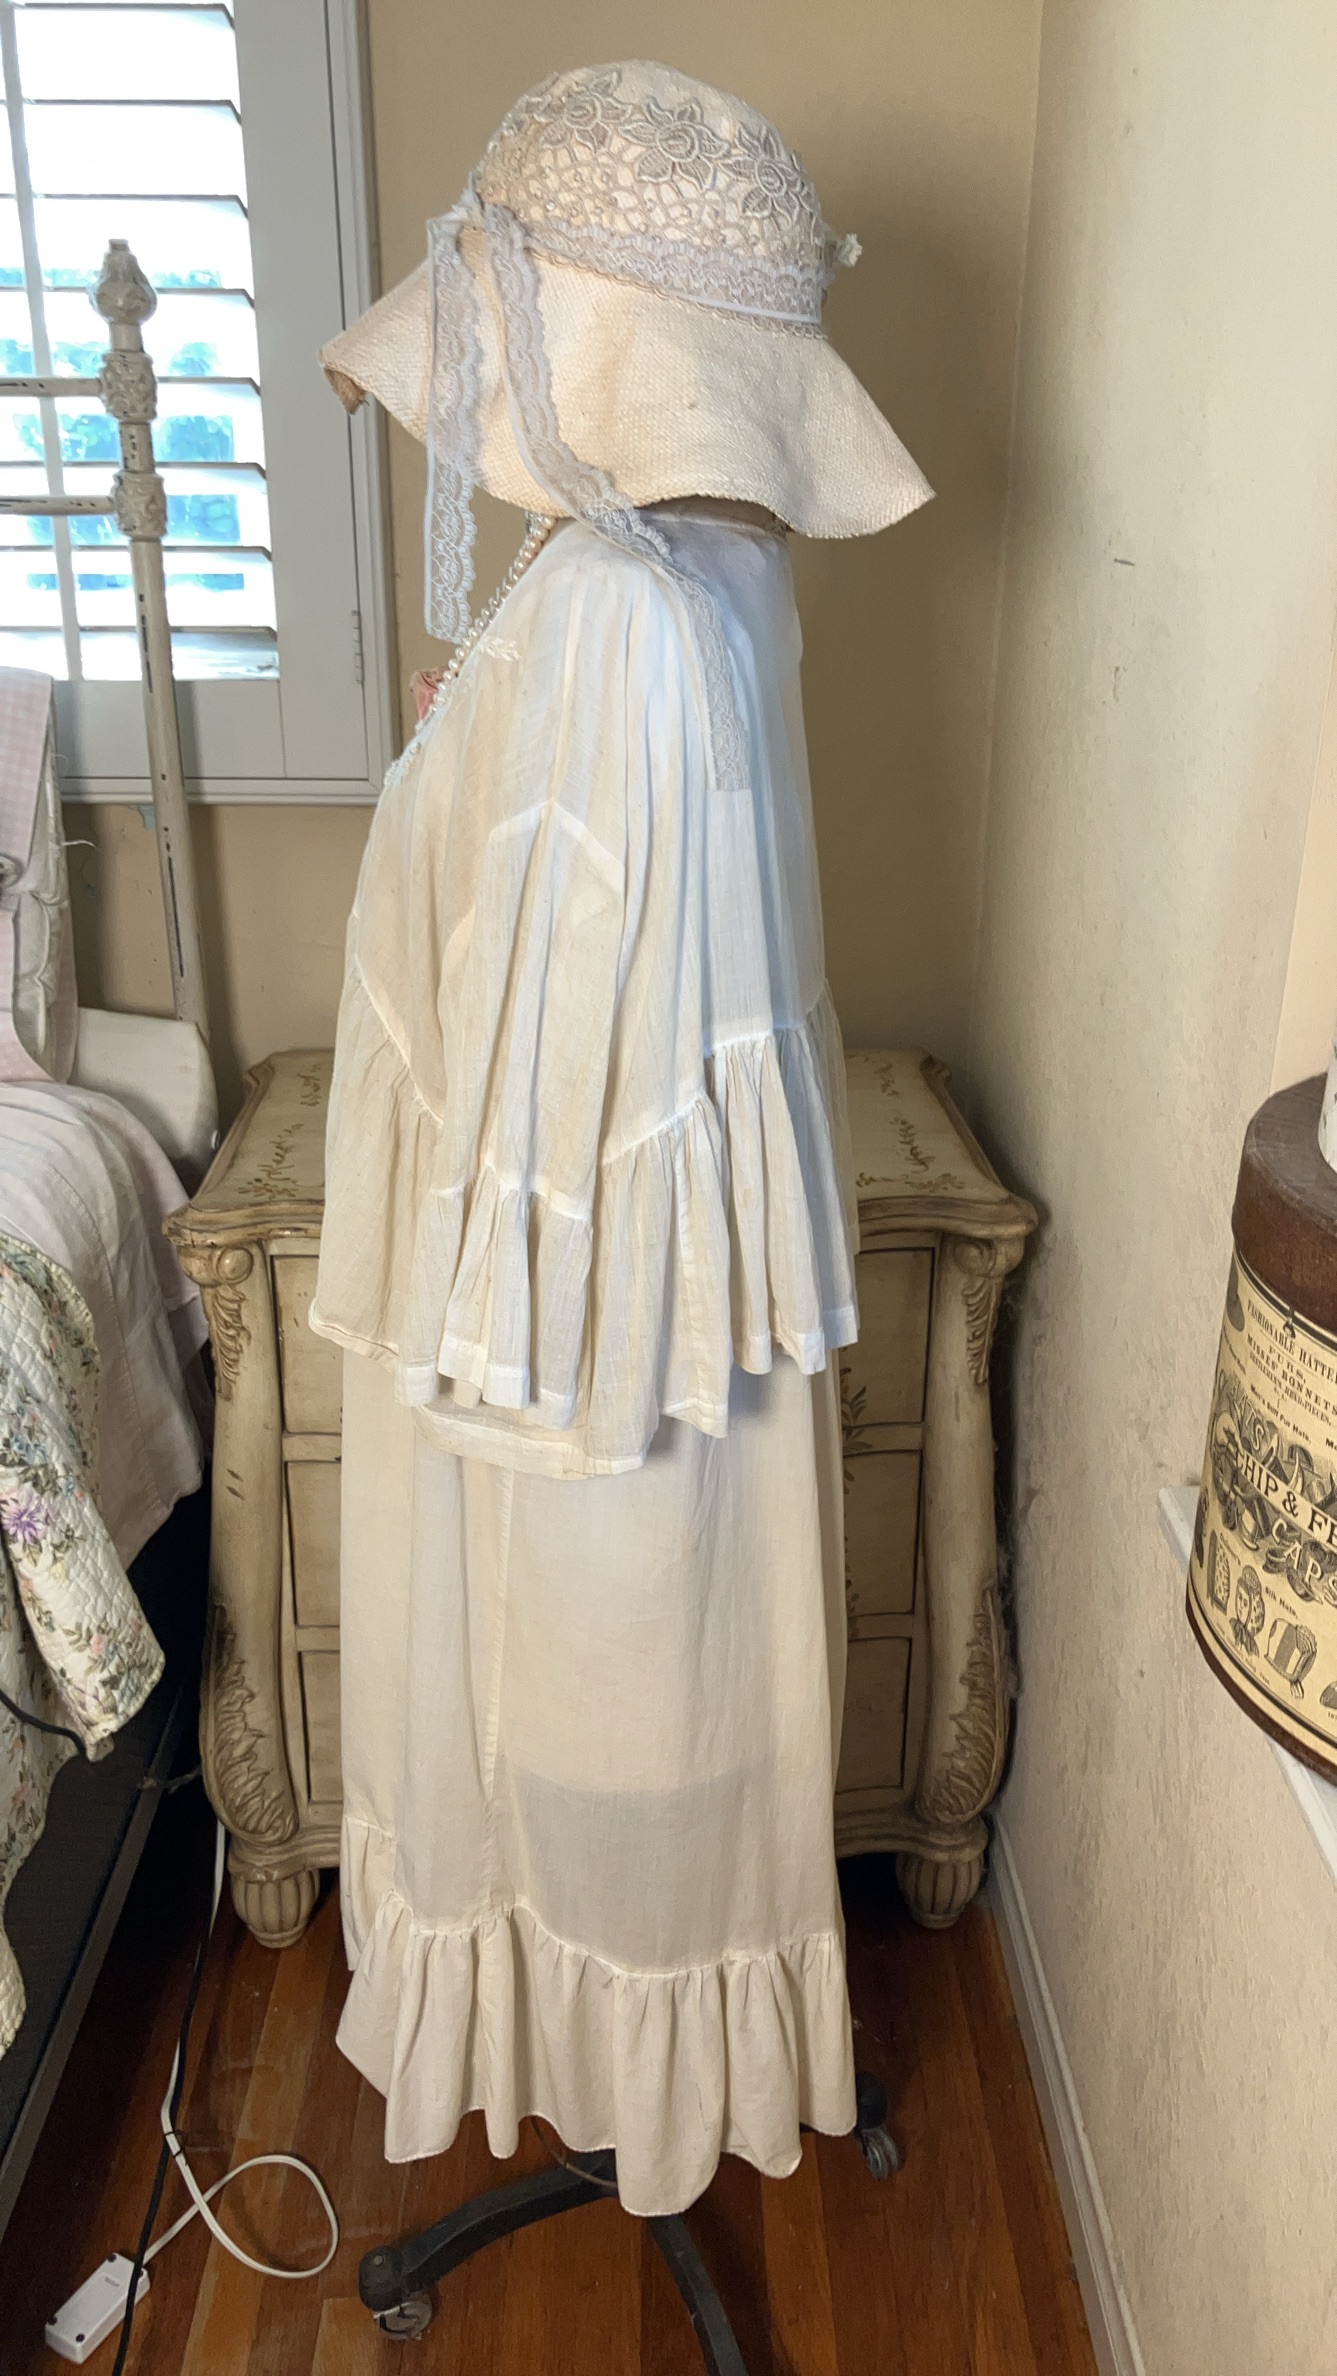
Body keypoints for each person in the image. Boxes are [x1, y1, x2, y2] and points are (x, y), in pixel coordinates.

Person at [310, 59, 931, 2218]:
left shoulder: (621, 618)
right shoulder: (696, 576)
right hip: (625, 1292)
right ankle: (625, 2042)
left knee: (587, 1697)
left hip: (577, 1337)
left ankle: (620, 2062)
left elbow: (577, 1089)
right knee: (650, 1691)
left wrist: (476, 1335)